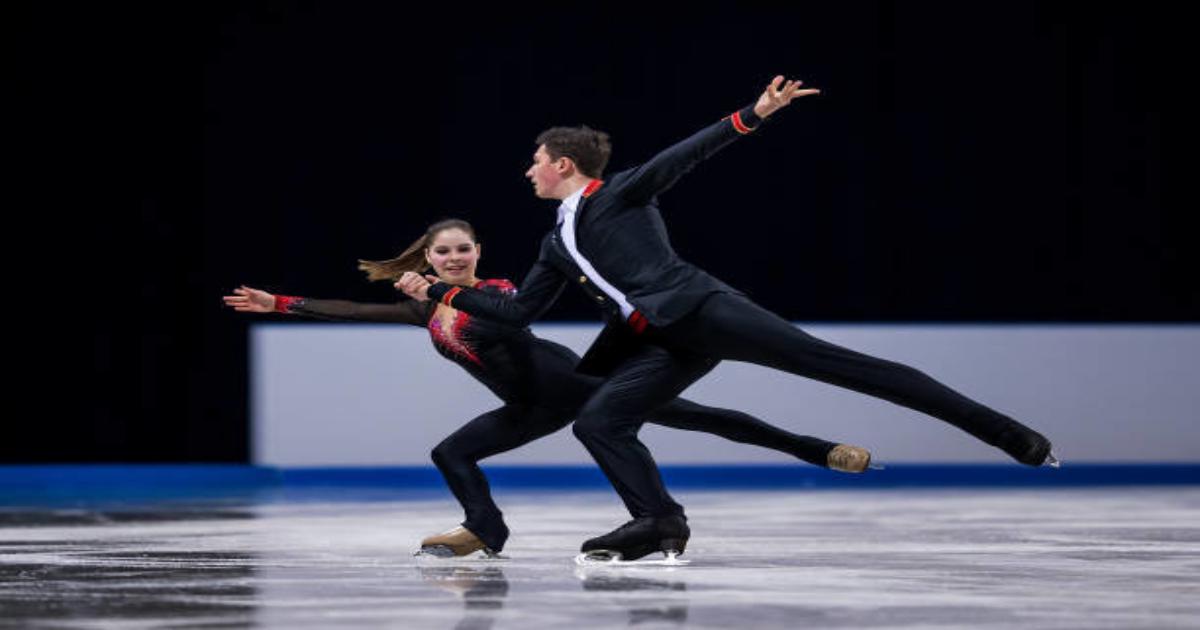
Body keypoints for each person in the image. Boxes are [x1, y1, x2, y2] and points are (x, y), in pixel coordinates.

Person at [395, 75, 1057, 562]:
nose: (528, 171)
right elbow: (520, 310)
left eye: (535, 162)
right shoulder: (553, 242)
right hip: (658, 338)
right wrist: (445, 294)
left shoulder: (618, 193)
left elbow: (682, 156)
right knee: (599, 422)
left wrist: (754, 114)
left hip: (704, 310)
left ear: (561, 164)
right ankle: (659, 522)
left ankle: (1011, 435)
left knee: (841, 367)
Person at [224, 218, 871, 558]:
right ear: (428, 257)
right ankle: (485, 530)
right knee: (451, 452)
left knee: (703, 417)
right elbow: (355, 310)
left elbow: (499, 317)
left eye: (462, 250)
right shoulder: (426, 308)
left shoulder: (496, 290)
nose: (453, 258)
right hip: (531, 405)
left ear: (477, 252)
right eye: (442, 254)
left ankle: (819, 451)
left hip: (579, 382)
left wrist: (442, 290)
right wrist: (280, 303)